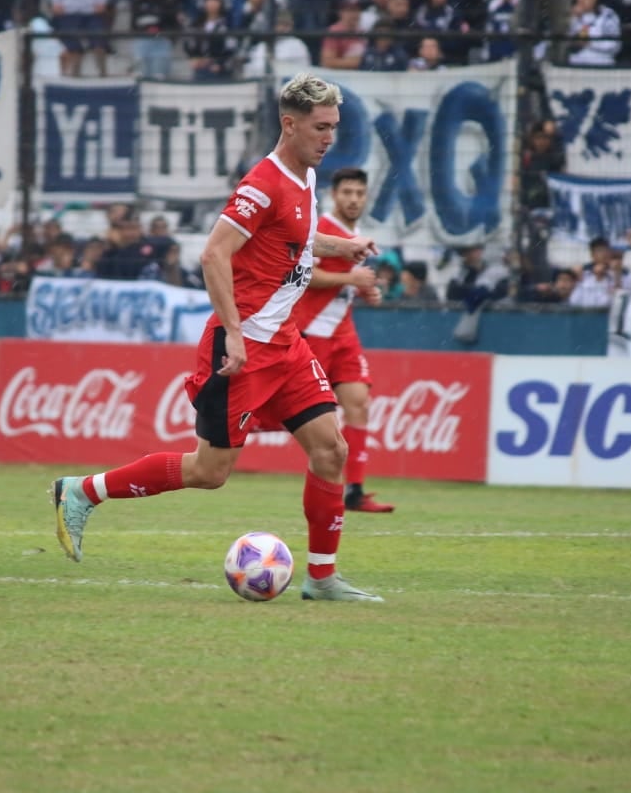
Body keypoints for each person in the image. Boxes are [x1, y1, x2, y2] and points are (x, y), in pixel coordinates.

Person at [51, 73, 385, 603]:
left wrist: (337, 247)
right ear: (289, 124)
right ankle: (83, 491)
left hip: (287, 345)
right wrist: (233, 332)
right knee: (209, 471)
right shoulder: (263, 183)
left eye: (334, 127)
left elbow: (291, 238)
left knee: (331, 450)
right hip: (244, 347)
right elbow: (213, 254)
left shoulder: (305, 177)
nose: (329, 138)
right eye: (320, 128)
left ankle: (322, 578)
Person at [292, 167, 395, 514]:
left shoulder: (356, 233)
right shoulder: (322, 229)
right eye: (347, 192)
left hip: (343, 333)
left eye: (359, 193)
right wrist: (352, 277)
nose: (353, 199)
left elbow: (343, 285)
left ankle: (355, 490)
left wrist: (364, 290)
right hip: (312, 332)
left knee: (359, 403)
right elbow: (305, 276)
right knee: (300, 413)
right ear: (335, 195)